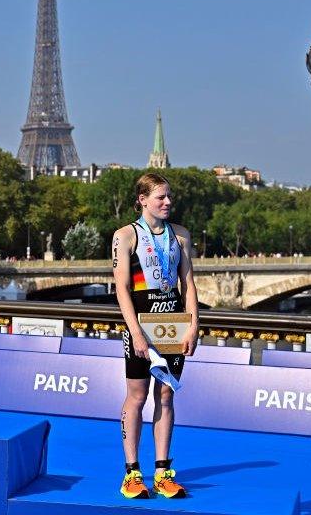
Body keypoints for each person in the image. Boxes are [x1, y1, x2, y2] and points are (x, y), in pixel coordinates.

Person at [112, 172, 198, 499]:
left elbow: (188, 284)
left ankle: (163, 472)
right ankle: (132, 473)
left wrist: (193, 324)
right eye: (161, 197)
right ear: (142, 200)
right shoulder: (125, 236)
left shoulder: (181, 236)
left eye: (169, 196)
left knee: (165, 396)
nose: (168, 202)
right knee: (137, 396)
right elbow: (121, 289)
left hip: (173, 323)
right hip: (141, 324)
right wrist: (135, 332)